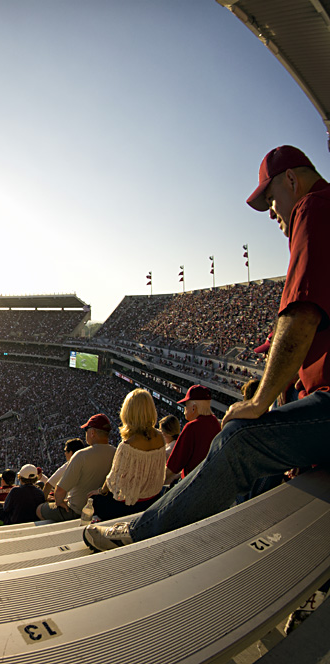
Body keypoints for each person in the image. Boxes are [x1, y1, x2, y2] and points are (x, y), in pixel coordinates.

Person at [85, 145, 330, 551]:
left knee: (239, 440)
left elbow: (300, 313)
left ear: (291, 180)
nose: (272, 213)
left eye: (271, 199)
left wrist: (262, 399)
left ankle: (142, 536)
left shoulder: (314, 206)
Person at [90, 389, 167, 522]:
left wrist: (100, 492)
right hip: (153, 498)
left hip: (131, 505)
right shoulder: (161, 437)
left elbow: (113, 480)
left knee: (93, 500)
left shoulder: (127, 446)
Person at [38, 414, 115, 522]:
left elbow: (59, 491)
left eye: (86, 430)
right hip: (103, 508)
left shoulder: (81, 455)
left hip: (77, 511)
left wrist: (59, 502)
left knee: (39, 509)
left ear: (92, 432)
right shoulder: (117, 453)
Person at [164, 385, 220, 484]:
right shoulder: (216, 423)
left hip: (192, 484)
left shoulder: (192, 427)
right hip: (210, 482)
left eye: (186, 405)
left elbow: (172, 469)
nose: (184, 409)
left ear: (194, 408)